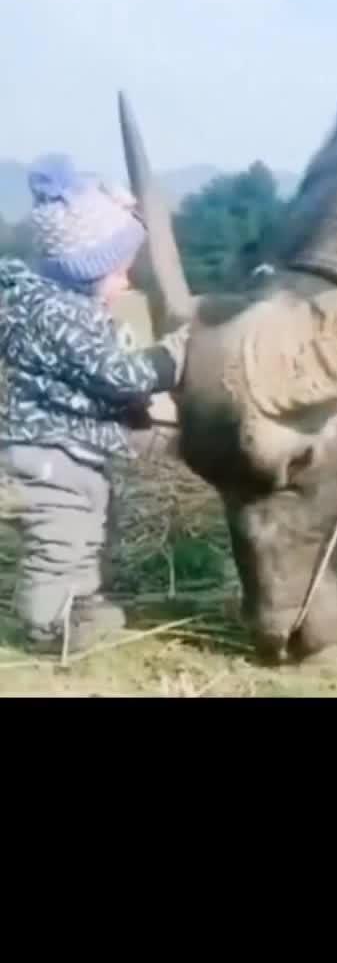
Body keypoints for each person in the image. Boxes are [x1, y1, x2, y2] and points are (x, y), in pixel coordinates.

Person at [0, 153, 188, 656]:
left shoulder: (51, 303)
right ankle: (43, 628)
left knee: (89, 530)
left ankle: (79, 603)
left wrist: (129, 213)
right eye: (120, 273)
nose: (126, 283)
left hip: (69, 450)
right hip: (51, 456)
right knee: (60, 542)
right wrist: (175, 354)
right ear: (86, 272)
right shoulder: (64, 318)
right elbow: (121, 377)